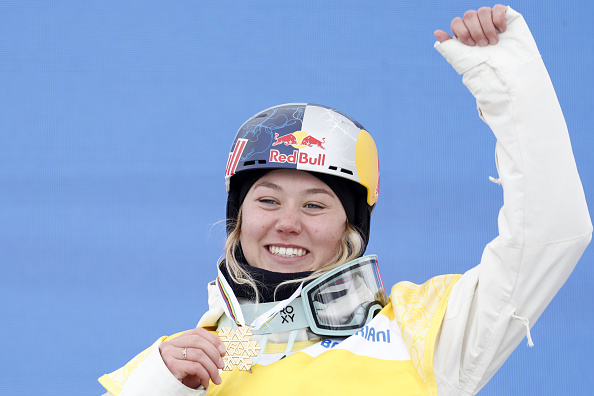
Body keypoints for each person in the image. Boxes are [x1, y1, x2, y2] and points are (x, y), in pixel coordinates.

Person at [99, 5, 592, 396]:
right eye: (267, 200)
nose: (287, 223)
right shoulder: (179, 363)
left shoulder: (423, 335)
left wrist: (510, 84)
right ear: (238, 218)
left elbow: (550, 234)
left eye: (315, 205)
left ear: (351, 228)